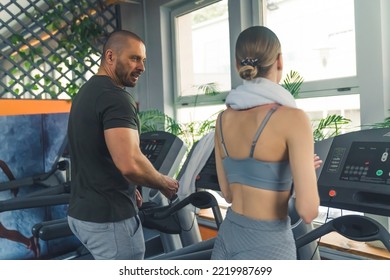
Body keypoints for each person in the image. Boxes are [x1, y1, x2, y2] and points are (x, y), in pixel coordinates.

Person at [67, 30, 179, 260]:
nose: (142, 67)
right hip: (109, 219)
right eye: (134, 58)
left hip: (82, 214)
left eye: (143, 60)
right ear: (110, 57)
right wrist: (163, 183)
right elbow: (129, 164)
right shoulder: (115, 97)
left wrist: (129, 188)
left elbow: (99, 153)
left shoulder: (86, 94)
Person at [211, 26, 320, 260]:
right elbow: (308, 211)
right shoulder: (293, 119)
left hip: (228, 236)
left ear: (237, 64)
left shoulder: (222, 119)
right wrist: (300, 174)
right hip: (268, 245)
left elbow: (228, 194)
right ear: (279, 61)